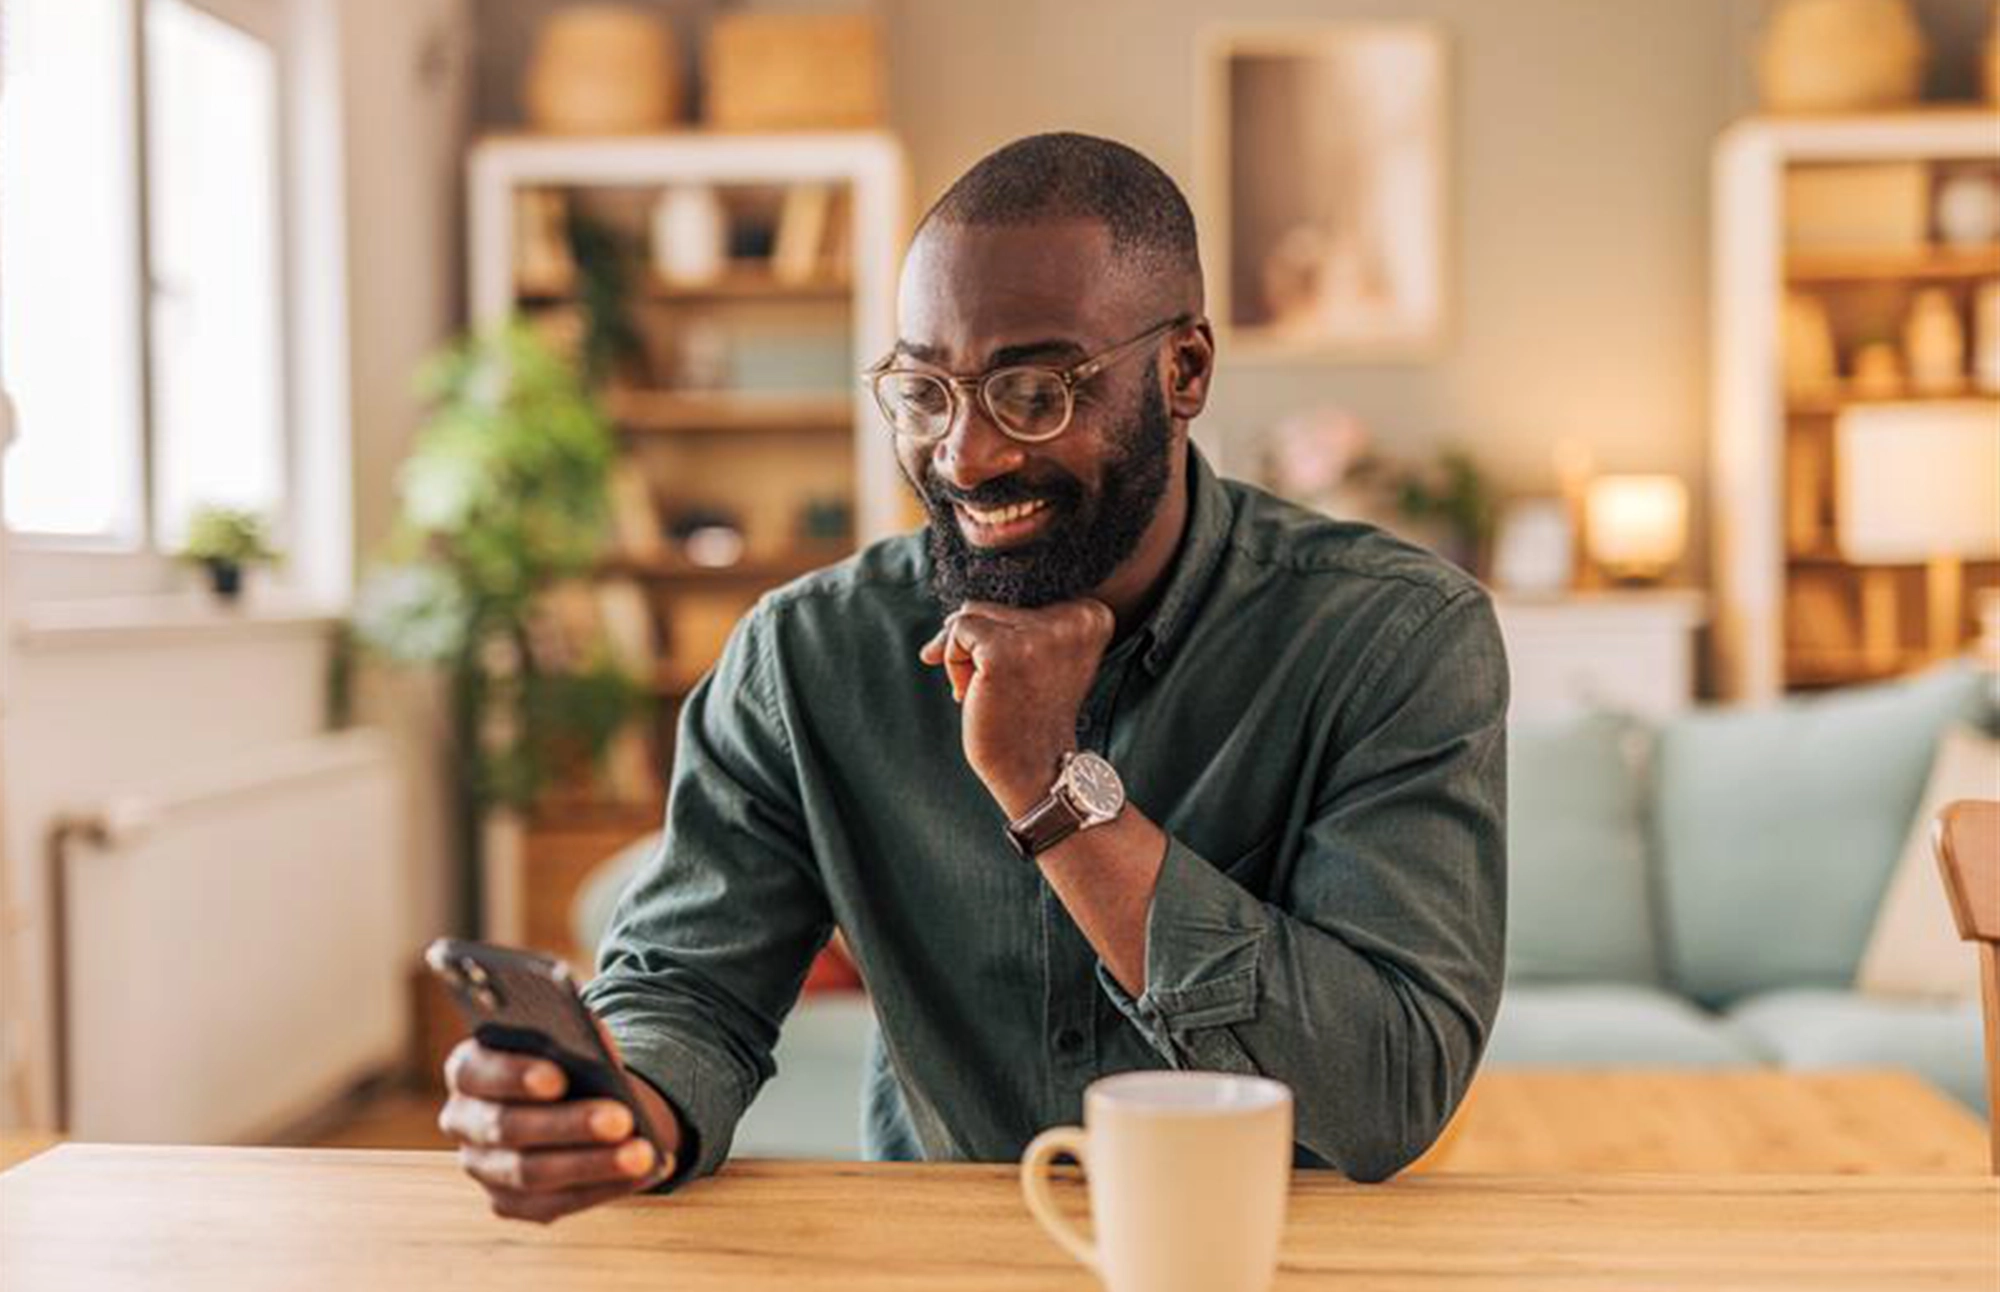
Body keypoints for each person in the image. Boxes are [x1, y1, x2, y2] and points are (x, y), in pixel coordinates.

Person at [440, 132, 1508, 1224]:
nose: (964, 454)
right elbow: (685, 989)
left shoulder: (1391, 634)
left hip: (1263, 1257)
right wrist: (615, 1112)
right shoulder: (804, 658)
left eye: (1034, 389)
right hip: (940, 1254)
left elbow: (1390, 1089)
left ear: (1182, 371)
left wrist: (1052, 790)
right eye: (923, 389)